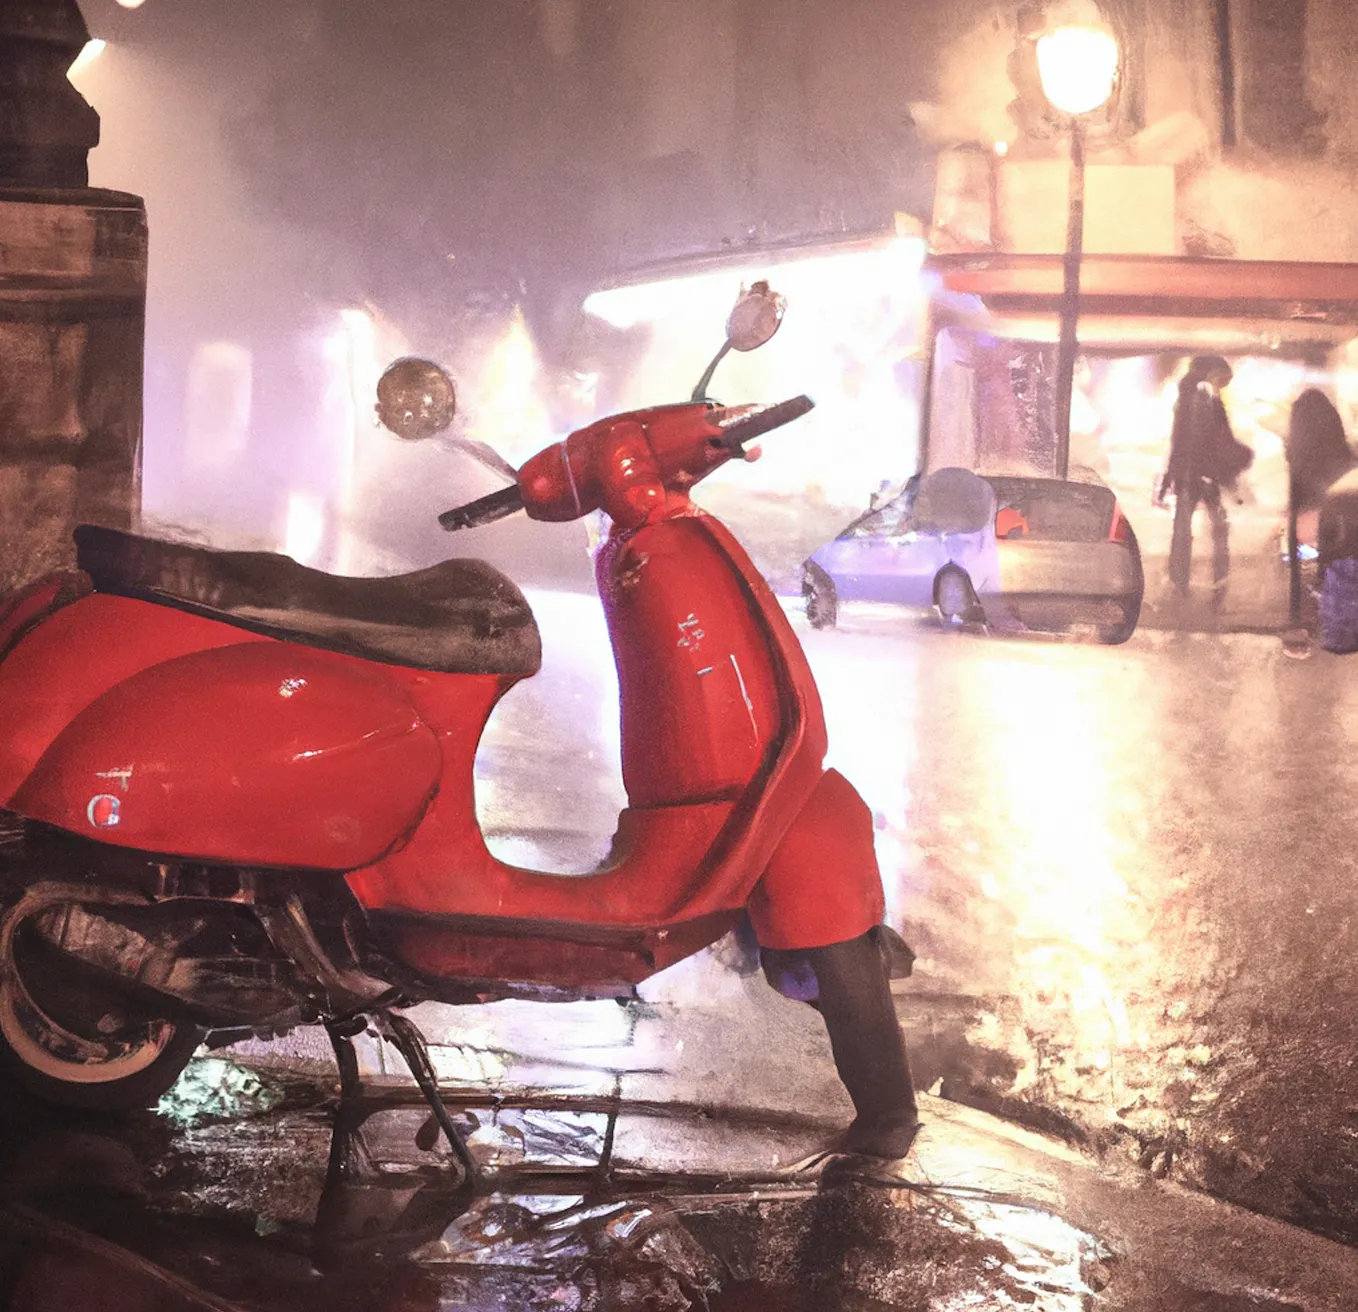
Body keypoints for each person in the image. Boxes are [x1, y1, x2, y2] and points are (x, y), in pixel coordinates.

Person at [1157, 356, 1253, 603]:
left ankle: (1181, 583)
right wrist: (1227, 467)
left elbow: (1179, 439)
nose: (1222, 386)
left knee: (1184, 530)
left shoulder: (1188, 395)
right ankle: (1217, 584)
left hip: (1190, 473)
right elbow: (1209, 438)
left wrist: (1170, 475)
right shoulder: (1203, 396)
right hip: (1203, 474)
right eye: (1221, 380)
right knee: (1216, 530)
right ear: (1213, 373)